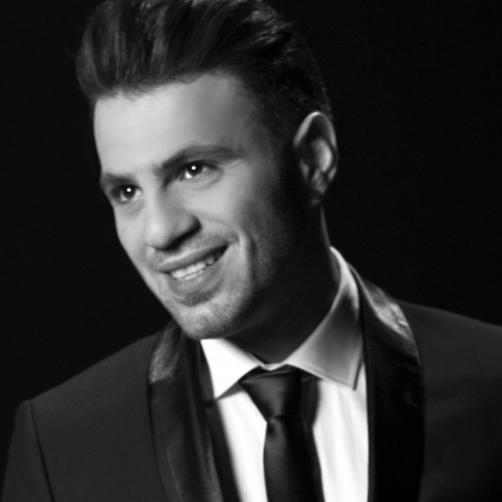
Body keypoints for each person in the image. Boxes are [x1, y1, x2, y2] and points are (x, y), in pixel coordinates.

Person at [3, 0, 502, 500]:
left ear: (313, 159)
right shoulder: (61, 447)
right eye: (127, 191)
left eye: (194, 170)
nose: (159, 231)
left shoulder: (490, 385)